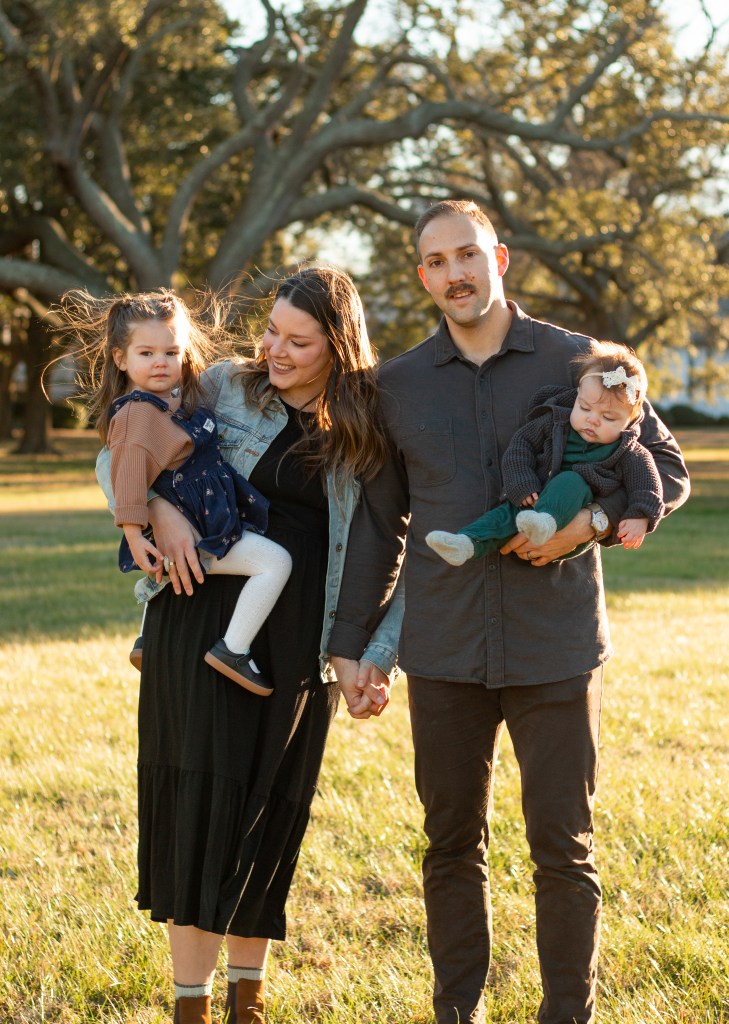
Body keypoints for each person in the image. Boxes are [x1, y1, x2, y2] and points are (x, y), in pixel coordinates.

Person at [328, 200, 690, 1024]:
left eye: (467, 254)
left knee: (562, 849)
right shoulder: (397, 386)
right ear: (422, 276)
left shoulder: (579, 361)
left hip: (554, 646)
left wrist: (589, 523)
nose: (454, 273)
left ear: (497, 257)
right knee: (450, 845)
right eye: (436, 261)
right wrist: (352, 645)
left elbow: (665, 467)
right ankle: (456, 1014)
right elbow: (380, 526)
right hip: (444, 649)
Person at [95, 267, 400, 1024]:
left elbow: (391, 540)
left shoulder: (366, 425)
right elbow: (119, 449)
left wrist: (373, 651)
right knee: (198, 804)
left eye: (298, 341)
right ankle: (191, 1008)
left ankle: (247, 1003)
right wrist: (160, 513)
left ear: (339, 347)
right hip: (201, 618)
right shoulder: (224, 386)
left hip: (298, 641)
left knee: (267, 811)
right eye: (271, 332)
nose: (275, 351)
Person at [66, 288, 293, 695]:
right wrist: (135, 533)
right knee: (274, 563)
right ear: (120, 358)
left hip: (200, 516)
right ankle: (234, 649)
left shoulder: (174, 400)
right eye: (147, 353)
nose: (161, 362)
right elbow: (127, 476)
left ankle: (145, 639)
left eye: (171, 352)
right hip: (197, 530)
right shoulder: (136, 414)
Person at [426, 340, 664, 567]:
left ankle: (545, 521)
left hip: (571, 519)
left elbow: (648, 486)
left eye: (608, 418)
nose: (592, 420)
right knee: (504, 515)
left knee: (571, 480)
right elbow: (521, 446)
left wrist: (640, 516)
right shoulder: (554, 422)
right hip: (535, 498)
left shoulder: (629, 451)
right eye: (584, 407)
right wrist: (522, 482)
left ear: (630, 420)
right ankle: (465, 543)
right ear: (577, 395)